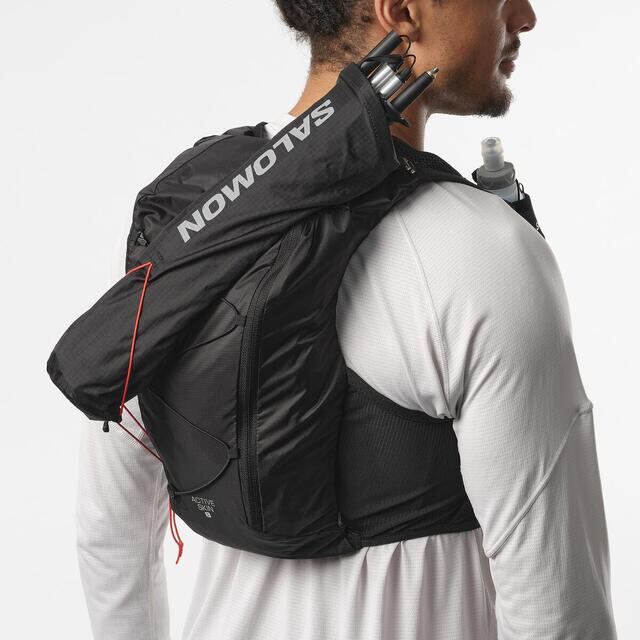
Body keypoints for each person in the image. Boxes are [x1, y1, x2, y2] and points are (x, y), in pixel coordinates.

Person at [75, 1, 618, 638]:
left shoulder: (184, 218)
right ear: (403, 10)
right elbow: (558, 613)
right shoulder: (483, 252)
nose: (525, 16)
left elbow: (109, 529)